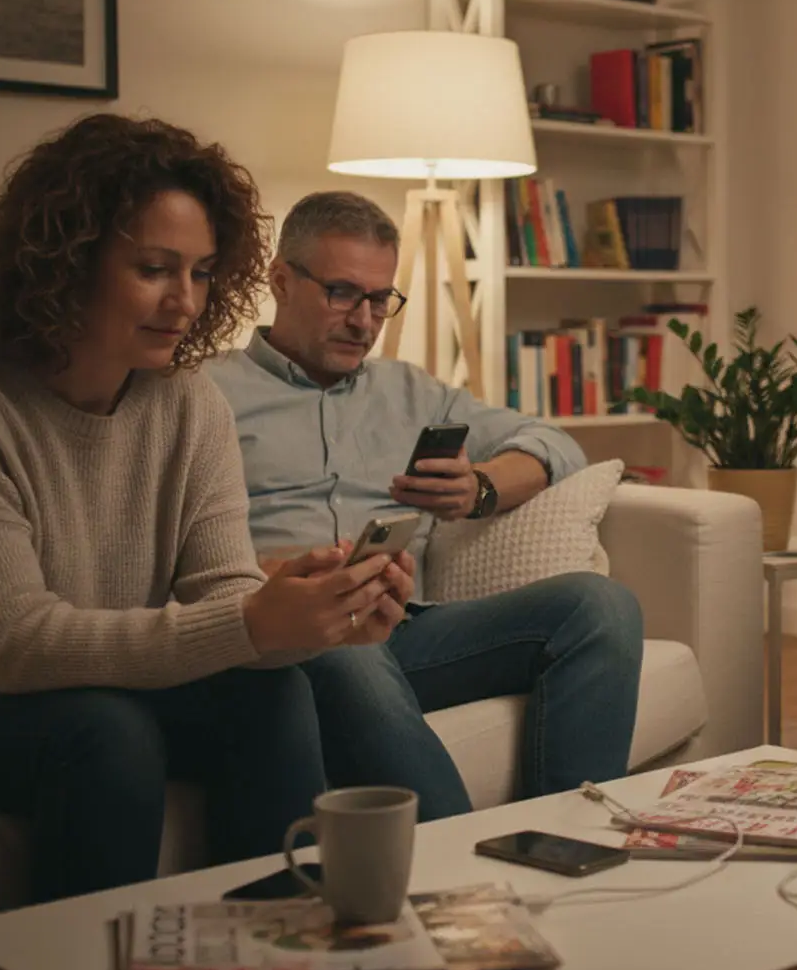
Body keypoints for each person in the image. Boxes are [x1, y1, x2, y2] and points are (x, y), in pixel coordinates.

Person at [0, 115, 415, 901]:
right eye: (154, 268)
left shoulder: (189, 405)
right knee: (104, 732)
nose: (184, 301)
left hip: (77, 686)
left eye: (203, 272)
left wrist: (322, 619)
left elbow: (223, 599)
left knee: (271, 693)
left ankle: (275, 956)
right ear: (67, 260)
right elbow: (13, 644)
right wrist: (254, 623)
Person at [206, 191, 643, 819]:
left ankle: (564, 837)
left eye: (380, 300)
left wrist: (480, 489)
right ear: (280, 280)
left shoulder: (413, 392)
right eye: (342, 293)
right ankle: (463, 873)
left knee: (600, 605)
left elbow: (554, 443)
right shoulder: (205, 393)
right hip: (292, 635)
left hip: (406, 629)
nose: (364, 321)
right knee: (341, 641)